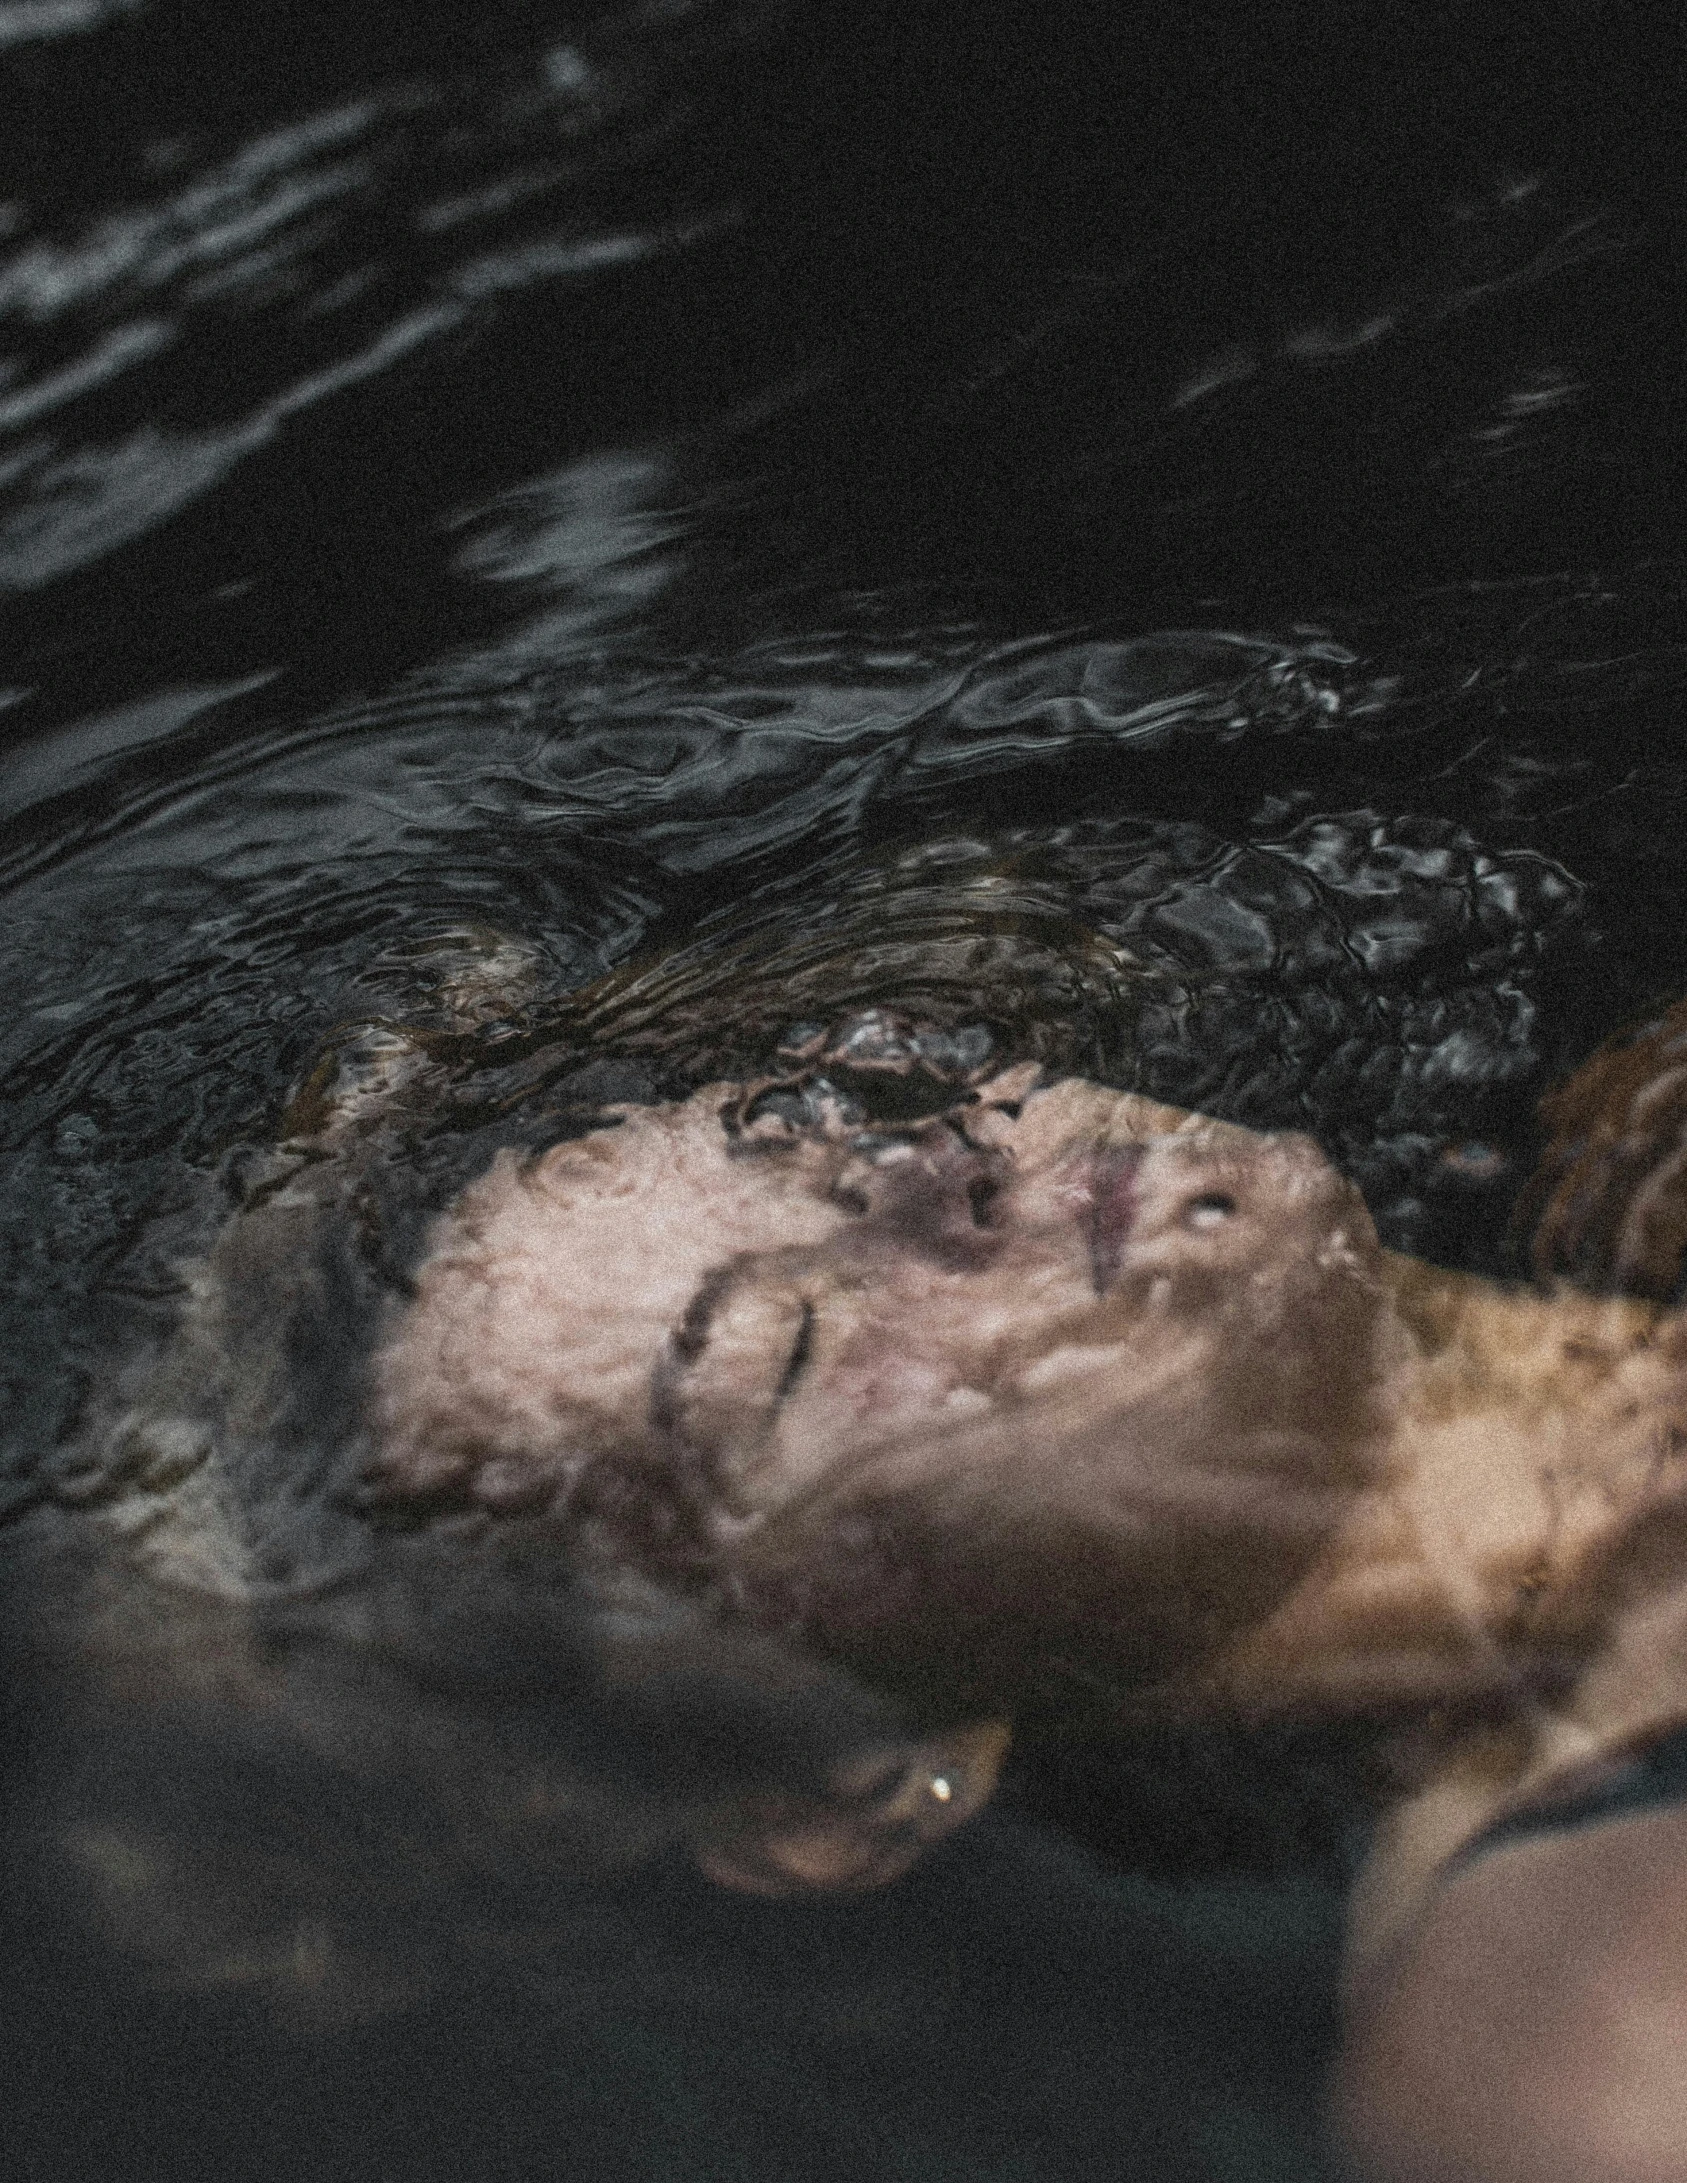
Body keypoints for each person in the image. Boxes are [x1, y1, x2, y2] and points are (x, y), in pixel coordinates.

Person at [24, 956, 1687, 2180]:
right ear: (843, 1788)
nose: (942, 1186)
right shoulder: (1576, 2049)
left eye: (827, 1141)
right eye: (785, 1350)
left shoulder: (1639, 1122)